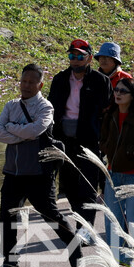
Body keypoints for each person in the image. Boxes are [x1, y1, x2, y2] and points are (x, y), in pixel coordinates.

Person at [0, 63, 81, 267]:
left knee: (50, 213)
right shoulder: (10, 106)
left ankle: (73, 244)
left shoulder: (46, 107)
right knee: (7, 216)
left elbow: (36, 130)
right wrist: (22, 132)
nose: (26, 85)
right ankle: (10, 261)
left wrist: (12, 129)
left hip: (39, 173)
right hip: (13, 172)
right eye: (23, 81)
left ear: (40, 85)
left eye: (31, 82)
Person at [48, 38, 113, 229]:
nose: (75, 60)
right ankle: (79, 218)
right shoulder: (59, 79)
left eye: (79, 56)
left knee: (88, 185)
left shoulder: (101, 81)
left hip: (89, 139)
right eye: (71, 56)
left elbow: (106, 111)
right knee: (69, 186)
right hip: (64, 139)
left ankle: (85, 229)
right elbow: (52, 108)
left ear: (89, 58)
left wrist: (103, 138)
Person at [99, 77, 134, 266]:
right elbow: (104, 139)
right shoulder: (110, 113)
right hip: (112, 174)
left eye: (123, 91)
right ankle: (119, 260)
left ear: (133, 95)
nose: (118, 94)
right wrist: (106, 147)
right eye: (116, 90)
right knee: (112, 219)